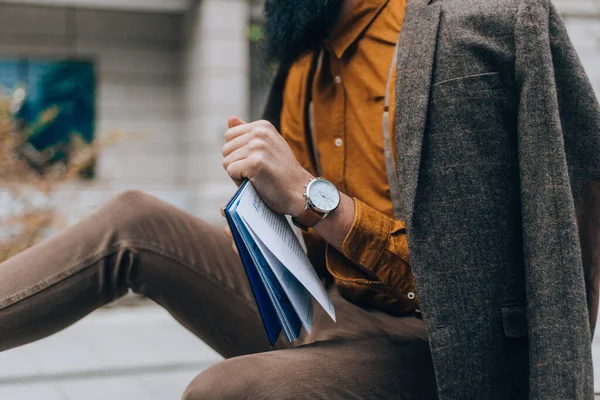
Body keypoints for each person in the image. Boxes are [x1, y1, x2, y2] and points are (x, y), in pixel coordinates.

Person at [1, 0, 599, 398]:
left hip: (444, 343)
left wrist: (315, 199)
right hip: (329, 306)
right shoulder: (301, 57)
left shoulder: (488, 21)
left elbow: (572, 208)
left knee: (228, 390)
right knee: (135, 219)